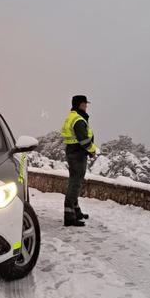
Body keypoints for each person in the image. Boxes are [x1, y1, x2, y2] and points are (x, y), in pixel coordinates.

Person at [61, 95, 97, 227]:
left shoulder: (73, 117)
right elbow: (84, 140)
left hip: (73, 152)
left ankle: (76, 211)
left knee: (75, 182)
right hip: (78, 154)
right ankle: (69, 217)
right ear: (79, 104)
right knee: (75, 184)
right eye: (84, 104)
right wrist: (92, 150)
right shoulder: (78, 120)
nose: (86, 106)